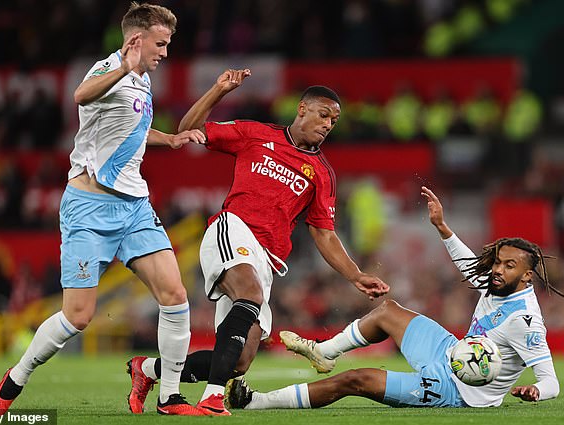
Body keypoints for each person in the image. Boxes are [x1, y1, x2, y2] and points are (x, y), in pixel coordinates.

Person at [0, 2, 207, 417]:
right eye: (160, 44)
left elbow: (131, 130)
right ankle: (15, 378)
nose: (165, 52)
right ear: (135, 41)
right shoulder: (107, 70)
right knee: (78, 316)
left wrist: (170, 140)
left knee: (175, 295)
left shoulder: (141, 81)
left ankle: (170, 397)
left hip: (135, 208)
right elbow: (81, 95)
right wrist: (122, 67)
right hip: (89, 209)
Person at [127, 70, 390, 415]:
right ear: (302, 109)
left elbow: (323, 233)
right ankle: (213, 398)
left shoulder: (322, 174)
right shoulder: (255, 134)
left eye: (334, 121)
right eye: (323, 115)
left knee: (239, 362)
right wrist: (217, 91)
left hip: (266, 261)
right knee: (249, 295)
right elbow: (186, 130)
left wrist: (355, 275)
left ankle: (146, 370)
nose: (328, 125)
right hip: (232, 230)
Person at [225, 185, 564, 410]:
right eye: (497, 262)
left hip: (458, 390)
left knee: (356, 380)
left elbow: (550, 380)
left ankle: (256, 402)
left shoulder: (525, 321)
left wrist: (537, 391)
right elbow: (470, 266)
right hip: (448, 351)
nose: (497, 270)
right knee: (388, 310)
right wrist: (442, 227)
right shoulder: (496, 283)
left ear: (527, 275)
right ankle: (323, 352)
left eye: (509, 266)